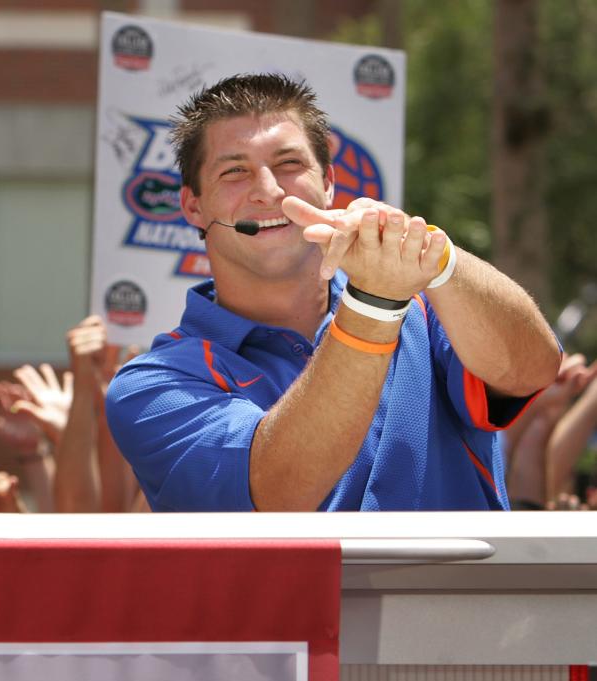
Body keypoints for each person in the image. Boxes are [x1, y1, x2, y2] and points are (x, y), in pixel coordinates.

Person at [106, 73, 560, 512]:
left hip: (458, 593)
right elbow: (278, 492)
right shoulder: (151, 384)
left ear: (328, 185)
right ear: (193, 205)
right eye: (234, 172)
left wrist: (433, 259)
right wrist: (374, 306)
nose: (268, 192)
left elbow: (534, 369)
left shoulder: (424, 305)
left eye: (289, 164)